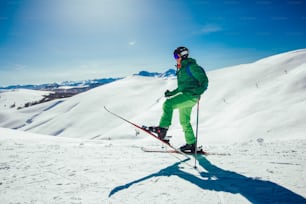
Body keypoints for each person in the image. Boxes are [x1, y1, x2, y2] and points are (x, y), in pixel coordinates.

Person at [145, 46, 209, 153]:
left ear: (181, 56)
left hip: (190, 95)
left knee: (168, 104)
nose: (175, 58)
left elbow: (204, 82)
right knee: (184, 121)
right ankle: (191, 144)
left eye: (175, 56)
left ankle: (162, 129)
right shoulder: (183, 69)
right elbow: (181, 88)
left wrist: (196, 92)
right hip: (188, 96)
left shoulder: (192, 67)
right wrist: (171, 93)